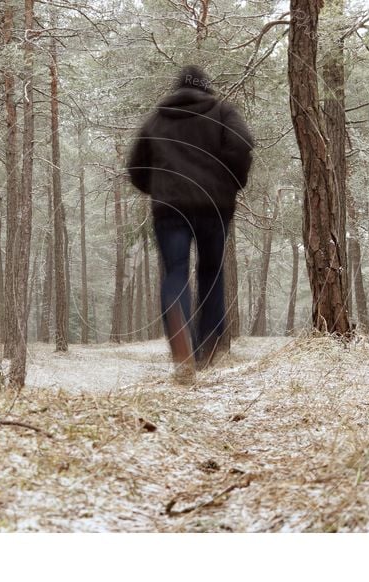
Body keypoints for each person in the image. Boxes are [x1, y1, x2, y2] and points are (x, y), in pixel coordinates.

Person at [127, 65, 253, 381]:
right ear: (205, 87)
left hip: (170, 209)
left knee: (176, 272)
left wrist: (159, 190)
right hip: (214, 206)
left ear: (177, 88)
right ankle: (208, 344)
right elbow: (243, 145)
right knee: (211, 273)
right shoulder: (222, 111)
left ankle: (181, 346)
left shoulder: (157, 117)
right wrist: (231, 184)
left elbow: (135, 166)